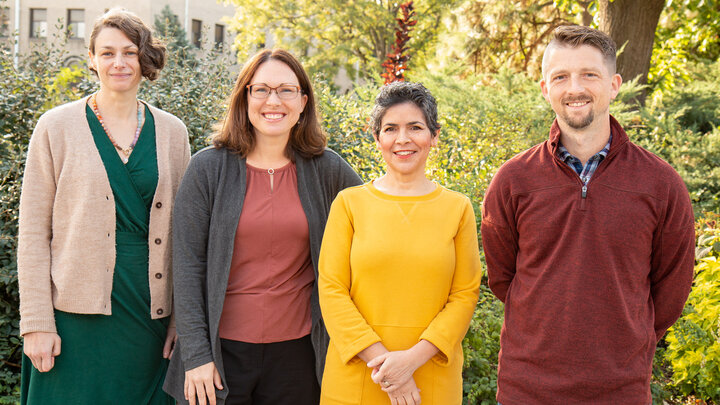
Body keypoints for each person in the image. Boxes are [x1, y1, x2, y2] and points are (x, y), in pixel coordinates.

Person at [481, 25, 695, 404]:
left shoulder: (661, 184)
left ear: (613, 85)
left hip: (621, 392)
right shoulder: (513, 180)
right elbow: (503, 278)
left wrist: (629, 338)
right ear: (546, 89)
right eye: (561, 76)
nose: (574, 88)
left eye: (589, 75)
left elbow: (671, 290)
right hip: (526, 391)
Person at [164, 49, 362, 405]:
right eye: (262, 90)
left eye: (286, 90)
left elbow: (374, 226)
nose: (274, 101)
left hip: (300, 355)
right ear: (245, 98)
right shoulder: (207, 169)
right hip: (221, 355)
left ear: (303, 102)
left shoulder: (328, 170)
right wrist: (196, 357)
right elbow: (187, 267)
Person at [18, 8, 190, 405]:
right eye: (107, 52)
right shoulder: (55, 127)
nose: (119, 62)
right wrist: (37, 323)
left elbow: (185, 234)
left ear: (143, 58)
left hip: (149, 314)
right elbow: (32, 234)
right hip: (72, 318)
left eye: (129, 52)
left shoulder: (172, 132)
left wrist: (182, 320)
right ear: (92, 58)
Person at [318, 81, 482, 405]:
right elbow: (331, 290)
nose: (403, 139)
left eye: (415, 127)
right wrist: (389, 369)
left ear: (434, 136)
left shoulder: (458, 208)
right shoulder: (349, 204)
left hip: (431, 380)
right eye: (391, 128)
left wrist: (409, 362)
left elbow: (464, 294)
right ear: (377, 138)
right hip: (356, 380)